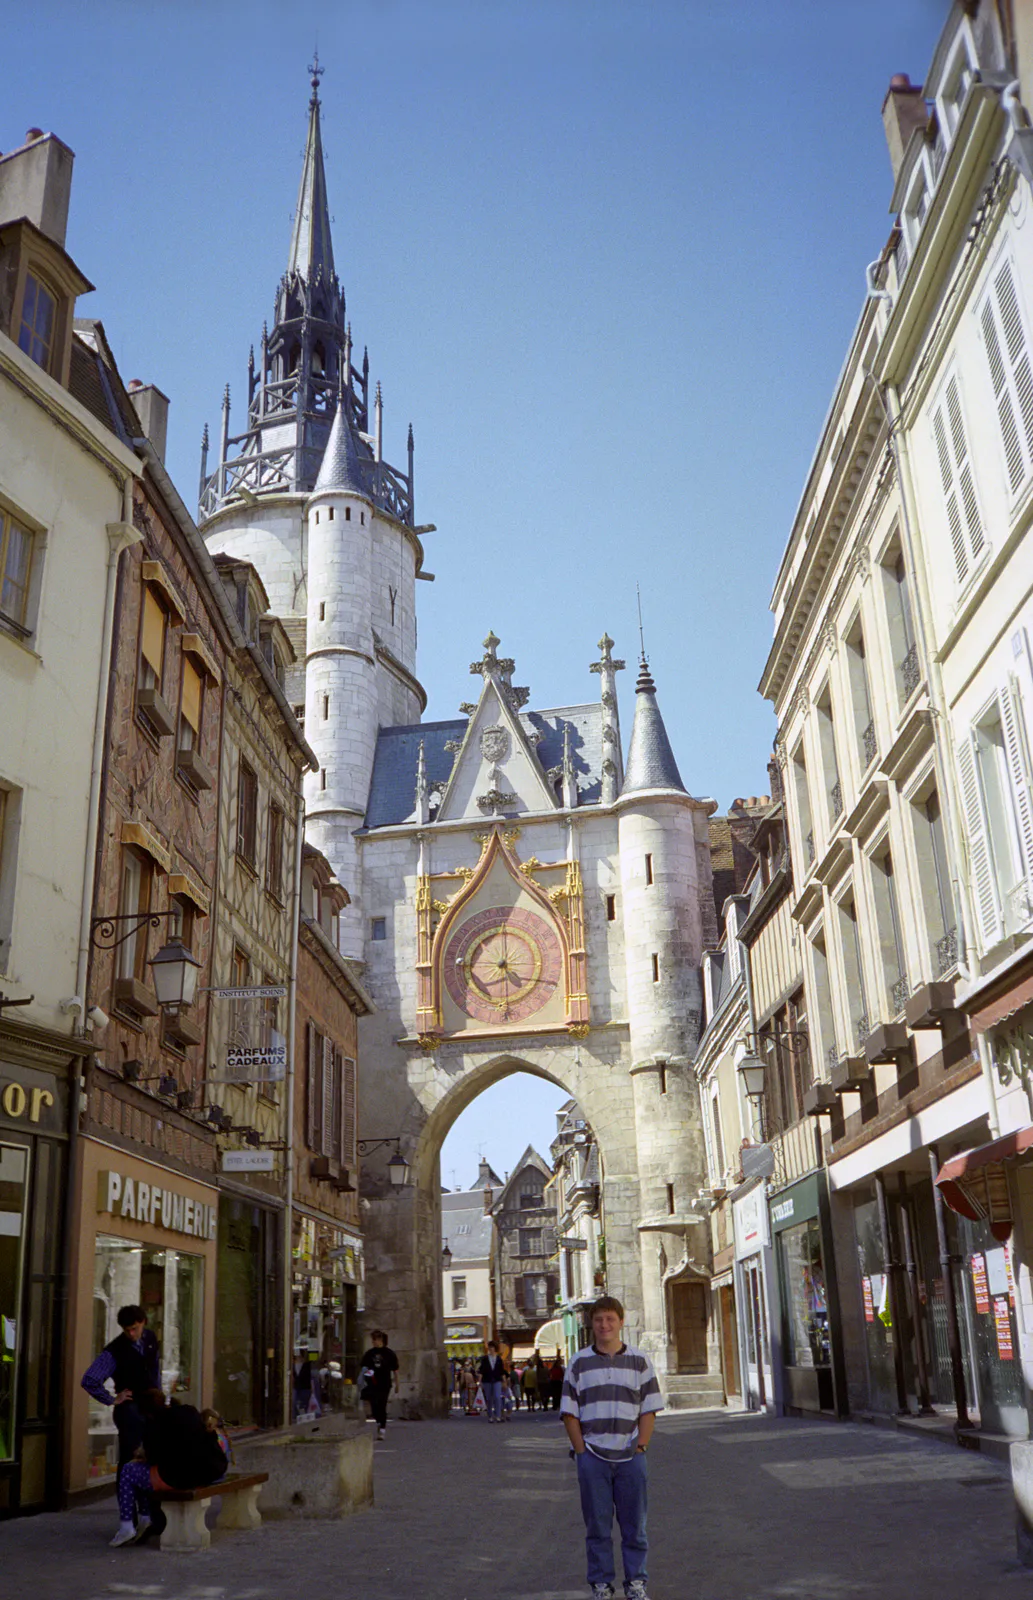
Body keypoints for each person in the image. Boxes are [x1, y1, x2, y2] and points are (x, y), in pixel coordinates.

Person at [561, 1296, 663, 1600]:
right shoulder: (578, 1363)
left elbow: (649, 1409)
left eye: (610, 1319)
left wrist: (641, 1447)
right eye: (598, 1320)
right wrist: (581, 1452)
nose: (604, 1325)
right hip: (593, 1457)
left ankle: (636, 1584)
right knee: (598, 1527)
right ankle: (602, 1585)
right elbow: (569, 1412)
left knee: (635, 1527)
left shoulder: (640, 1361)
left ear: (621, 1321)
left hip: (631, 1457)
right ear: (591, 1324)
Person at [80, 1302, 161, 1537]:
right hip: (130, 1411)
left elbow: (154, 1370)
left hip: (150, 1408)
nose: (131, 1334)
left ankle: (148, 1515)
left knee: (149, 1460)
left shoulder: (150, 1339)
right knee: (129, 1463)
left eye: (135, 1329)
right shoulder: (115, 1350)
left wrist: (158, 1398)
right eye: (127, 1330)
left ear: (143, 1322)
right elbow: (90, 1379)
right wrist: (111, 1399)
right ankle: (128, 1520)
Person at [111, 1390, 227, 1548]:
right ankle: (146, 1518)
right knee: (142, 1474)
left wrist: (142, 1453)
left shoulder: (155, 1422)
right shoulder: (189, 1411)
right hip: (209, 1471)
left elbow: (154, 1458)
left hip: (180, 1476)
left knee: (128, 1472)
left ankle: (127, 1525)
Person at [359, 1328, 399, 1440]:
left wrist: (397, 1384)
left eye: (375, 1339)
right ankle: (378, 1421)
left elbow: (395, 1370)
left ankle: (382, 1428)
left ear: (381, 1340)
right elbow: (363, 1367)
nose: (373, 1342)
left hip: (384, 1383)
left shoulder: (389, 1354)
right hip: (371, 1383)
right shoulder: (369, 1353)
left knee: (382, 1404)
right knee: (374, 1405)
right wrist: (366, 1374)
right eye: (372, 1339)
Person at [479, 1342, 505, 1423]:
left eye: (492, 1347)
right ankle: (490, 1416)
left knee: (497, 1397)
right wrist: (480, 1382)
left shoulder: (499, 1359)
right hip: (487, 1380)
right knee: (489, 1398)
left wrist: (504, 1382)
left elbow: (501, 1371)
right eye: (489, 1347)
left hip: (497, 1380)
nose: (490, 1349)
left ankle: (498, 1416)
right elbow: (481, 1371)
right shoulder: (485, 1359)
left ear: (495, 1348)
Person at [292, 1346, 321, 1419]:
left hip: (305, 1387)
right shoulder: (292, 1364)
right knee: (294, 1402)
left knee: (304, 1403)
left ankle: (304, 1416)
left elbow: (310, 1377)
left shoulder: (307, 1365)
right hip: (296, 1386)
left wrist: (312, 1388)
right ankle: (296, 1416)